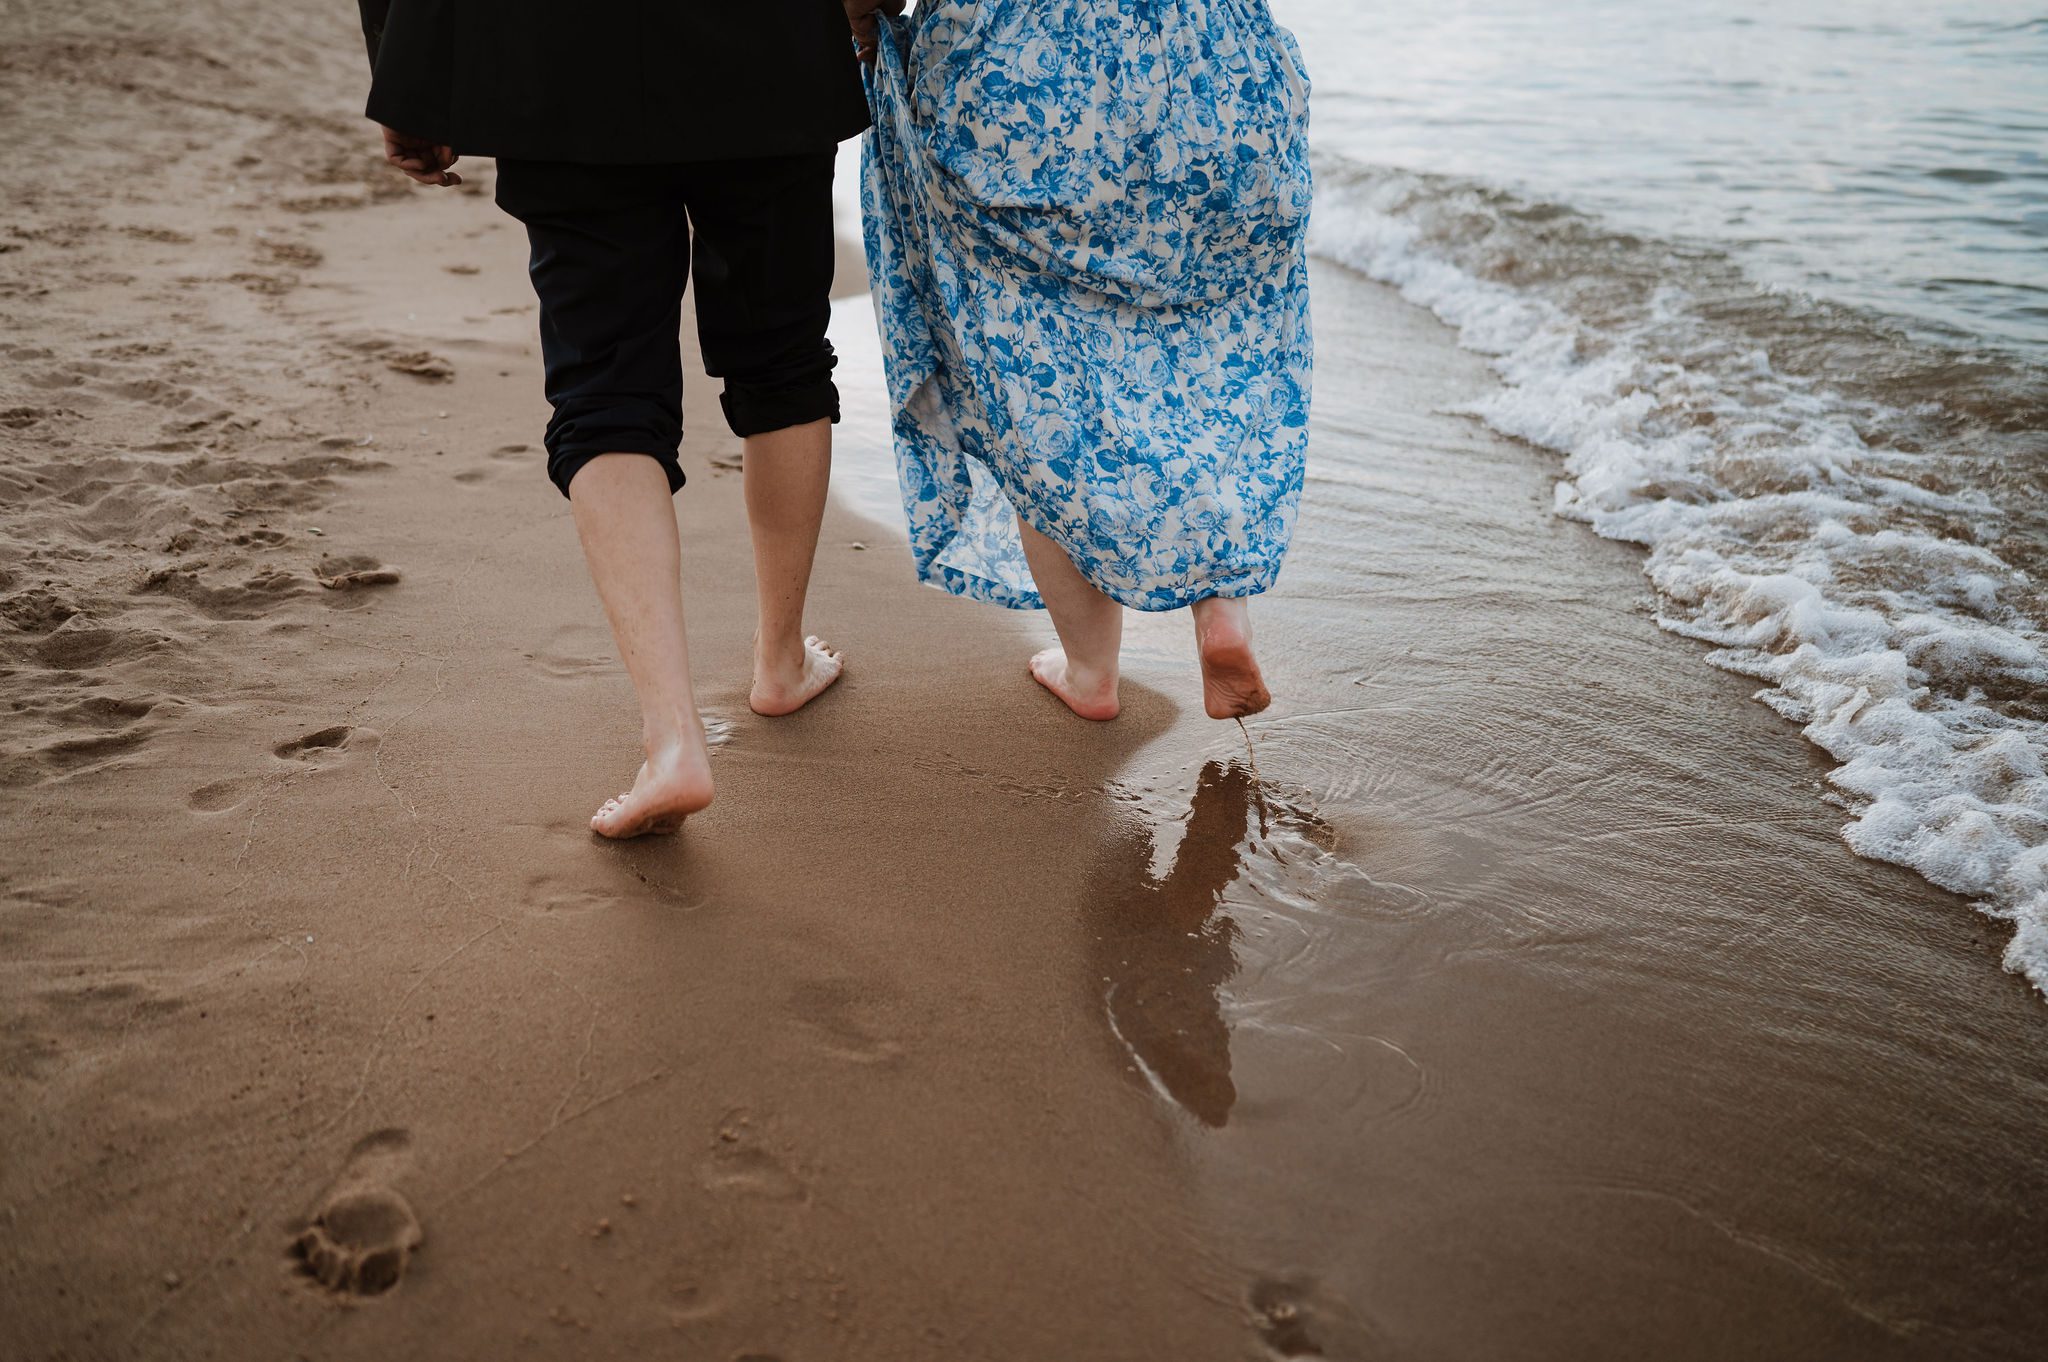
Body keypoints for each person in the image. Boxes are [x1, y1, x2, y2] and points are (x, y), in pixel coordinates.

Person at [356, 1, 896, 838]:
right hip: (767, 52)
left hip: (557, 58)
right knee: (782, 359)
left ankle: (673, 738)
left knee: (602, 391)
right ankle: (781, 661)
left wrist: (408, 69)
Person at [859, 1, 1313, 723]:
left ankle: (1091, 671)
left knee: (1040, 387)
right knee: (1216, 355)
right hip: (1214, 73)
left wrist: (865, 20)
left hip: (1025, 79)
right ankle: (1221, 609)